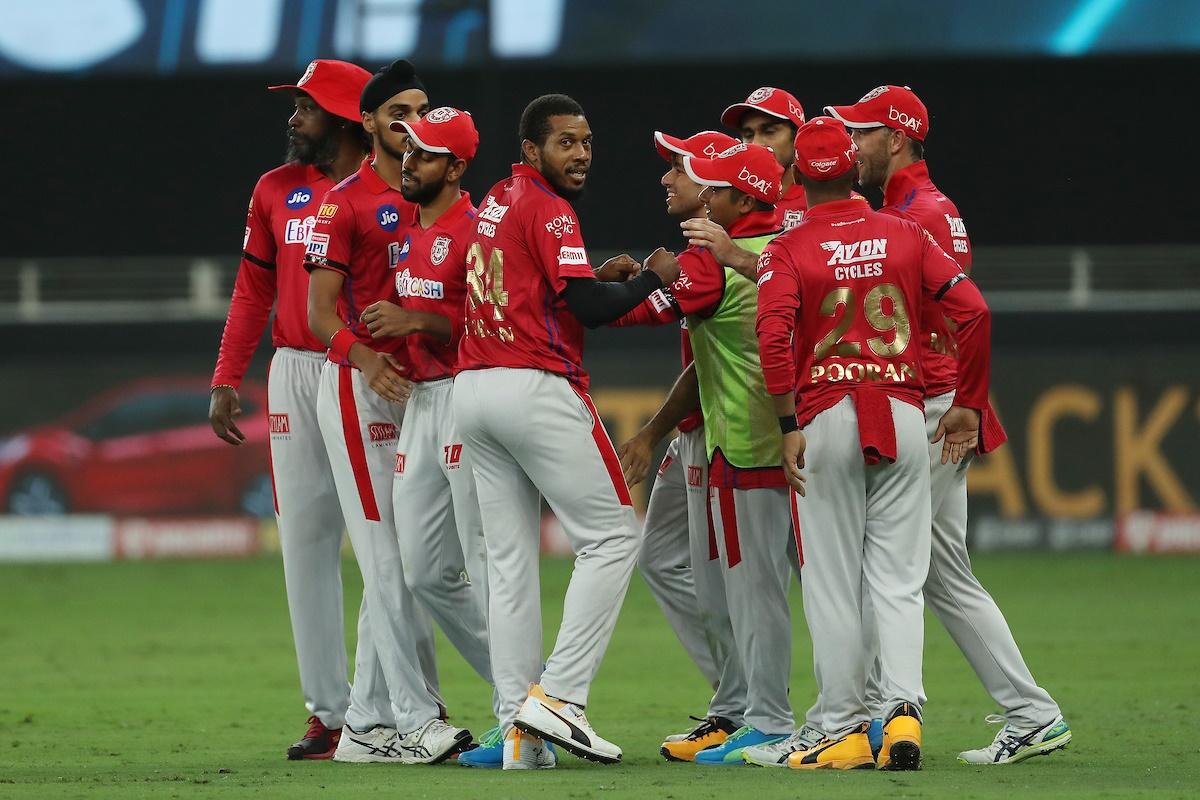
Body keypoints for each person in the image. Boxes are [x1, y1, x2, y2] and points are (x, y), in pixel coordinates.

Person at [826, 86, 1071, 765]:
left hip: (930, 407)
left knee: (887, 565)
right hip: (937, 402)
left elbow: (962, 314)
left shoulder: (920, 213)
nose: (852, 146)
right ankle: (1032, 712)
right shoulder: (916, 209)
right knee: (941, 574)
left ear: (896, 139)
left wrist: (963, 399)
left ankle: (878, 720)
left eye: (862, 133)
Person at [755, 117, 993, 771]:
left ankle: (840, 725)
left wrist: (786, 425)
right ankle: (903, 712)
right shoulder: (906, 233)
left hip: (828, 413)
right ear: (856, 169)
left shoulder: (788, 246)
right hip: (902, 408)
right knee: (897, 580)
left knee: (831, 582)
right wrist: (969, 401)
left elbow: (772, 335)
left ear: (798, 177)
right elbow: (972, 310)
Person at [451, 93, 681, 769]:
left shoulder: (497, 197)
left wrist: (598, 278)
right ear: (531, 151)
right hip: (531, 386)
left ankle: (518, 732)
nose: (579, 153)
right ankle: (562, 701)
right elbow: (587, 306)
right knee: (613, 535)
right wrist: (649, 279)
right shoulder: (550, 208)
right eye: (564, 142)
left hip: (474, 390)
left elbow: (554, 290)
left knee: (512, 564)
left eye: (585, 141)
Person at [208, 58, 378, 761]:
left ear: (342, 118)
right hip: (293, 373)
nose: (293, 117)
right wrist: (227, 377)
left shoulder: (387, 187)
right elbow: (252, 292)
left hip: (365, 372)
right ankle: (329, 714)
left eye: (305, 107)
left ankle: (392, 703)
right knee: (304, 543)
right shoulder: (274, 190)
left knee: (384, 546)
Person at [305, 58, 469, 764]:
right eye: (398, 111)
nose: (413, 123)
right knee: (385, 559)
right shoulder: (337, 204)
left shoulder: (433, 194)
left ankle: (367, 724)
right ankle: (418, 719)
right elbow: (317, 315)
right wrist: (366, 358)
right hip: (358, 388)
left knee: (405, 561)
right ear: (368, 122)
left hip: (424, 393)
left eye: (423, 110)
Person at [617, 142, 797, 765]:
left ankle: (772, 718)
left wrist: (637, 279)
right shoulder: (771, 248)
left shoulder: (721, 259)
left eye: (698, 179)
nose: (671, 178)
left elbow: (640, 314)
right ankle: (751, 705)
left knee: (759, 588)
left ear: (737, 198)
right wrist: (650, 273)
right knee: (765, 583)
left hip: (751, 441)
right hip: (757, 436)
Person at [357, 106, 505, 767]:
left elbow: (490, 319)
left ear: (458, 166)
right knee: (425, 570)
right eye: (407, 149)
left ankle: (524, 708)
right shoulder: (414, 231)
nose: (409, 161)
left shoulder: (475, 232)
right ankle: (524, 691)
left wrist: (413, 316)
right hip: (421, 401)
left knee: (485, 559)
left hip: (466, 401)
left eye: (425, 153)